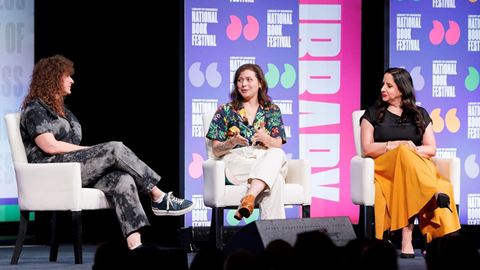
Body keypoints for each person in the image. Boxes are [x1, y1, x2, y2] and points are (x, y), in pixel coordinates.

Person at [19, 54, 194, 250]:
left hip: (71, 168)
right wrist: (92, 150)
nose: (72, 80)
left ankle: (135, 245)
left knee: (123, 179)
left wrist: (89, 152)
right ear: (53, 78)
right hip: (51, 172)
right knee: (115, 148)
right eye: (67, 76)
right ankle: (158, 196)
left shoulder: (63, 112)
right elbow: (49, 146)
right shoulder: (35, 109)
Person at [360, 67, 461, 258]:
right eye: (383, 83)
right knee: (405, 154)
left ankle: (424, 241)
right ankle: (428, 198)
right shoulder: (372, 113)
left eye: (389, 85)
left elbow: (431, 149)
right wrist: (395, 145)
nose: (383, 88)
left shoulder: (419, 113)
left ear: (402, 89)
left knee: (427, 174)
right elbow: (367, 148)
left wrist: (410, 150)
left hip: (413, 169)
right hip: (385, 168)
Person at [206, 63, 287, 220]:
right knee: (275, 180)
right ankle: (272, 240)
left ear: (260, 83)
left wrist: (266, 139)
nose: (243, 84)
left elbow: (277, 144)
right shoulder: (225, 110)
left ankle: (249, 197)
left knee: (277, 153)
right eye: (239, 80)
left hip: (265, 158)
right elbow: (215, 150)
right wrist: (231, 142)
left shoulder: (272, 110)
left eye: (249, 79)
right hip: (237, 162)